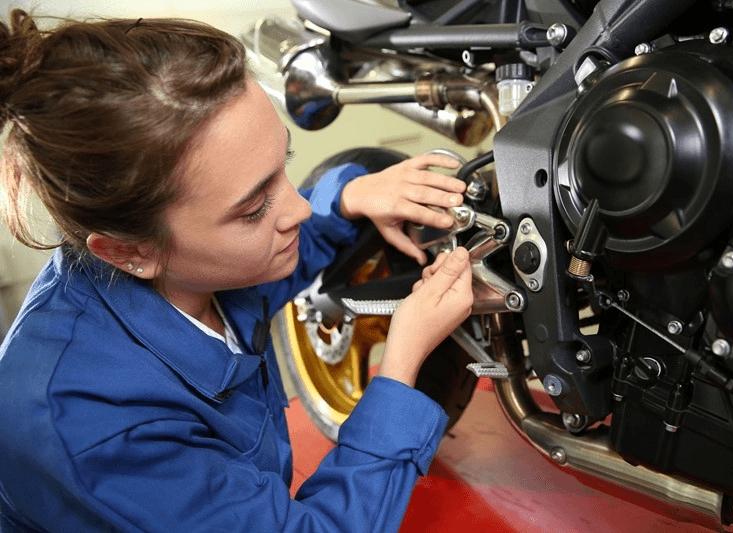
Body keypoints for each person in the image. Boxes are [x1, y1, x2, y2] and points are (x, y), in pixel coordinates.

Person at [0, 10, 473, 533]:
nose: (295, 210)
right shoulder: (97, 431)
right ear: (127, 251)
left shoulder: (181, 268)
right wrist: (401, 366)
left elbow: (273, 258)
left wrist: (346, 197)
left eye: (284, 165)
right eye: (252, 209)